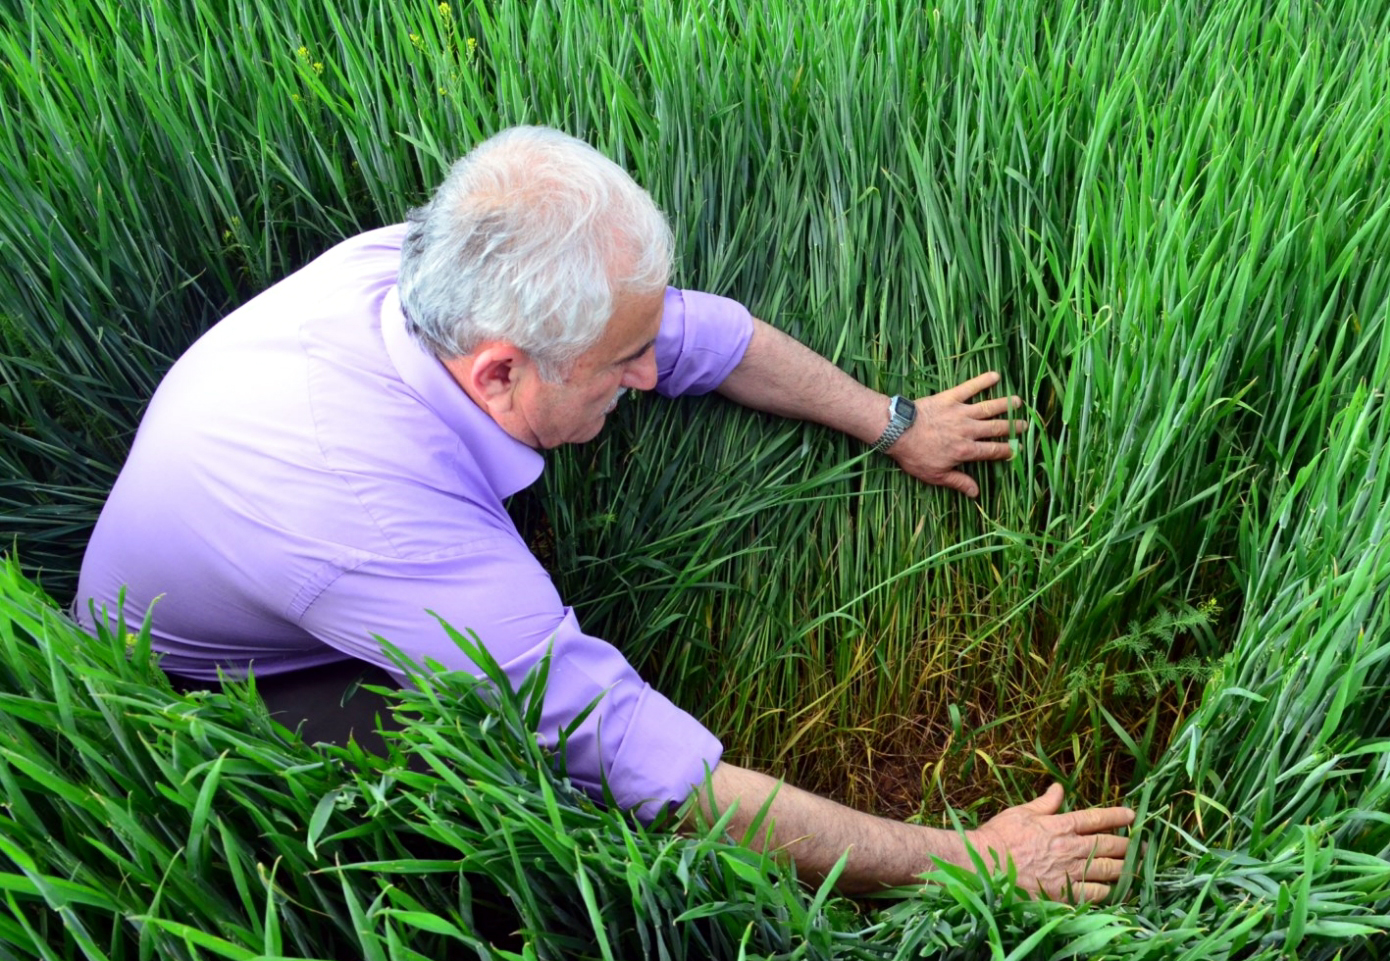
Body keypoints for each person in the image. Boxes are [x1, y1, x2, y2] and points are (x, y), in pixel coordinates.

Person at [76, 126, 1134, 901]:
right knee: (544, 820)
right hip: (208, 693)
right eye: (619, 365)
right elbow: (645, 761)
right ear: (499, 374)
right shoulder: (379, 525)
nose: (648, 374)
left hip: (270, 538)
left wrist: (893, 422)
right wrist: (974, 862)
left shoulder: (445, 274)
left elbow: (696, 337)